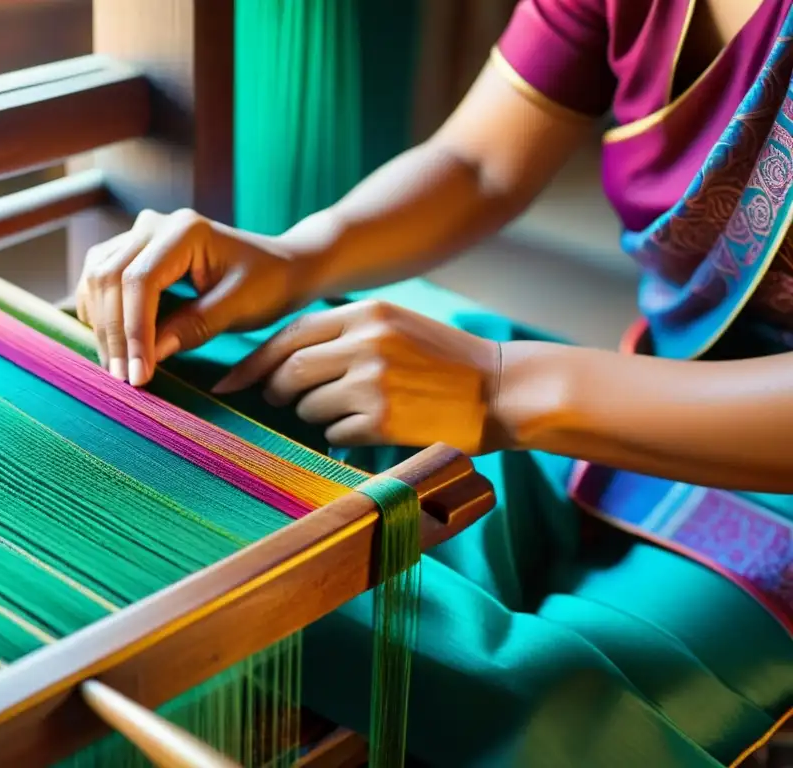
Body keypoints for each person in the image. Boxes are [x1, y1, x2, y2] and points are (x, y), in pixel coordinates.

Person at [77, 0, 793, 764]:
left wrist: (500, 388)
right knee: (266, 361)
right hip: (644, 389)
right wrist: (296, 258)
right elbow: (479, 164)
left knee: (547, 710)